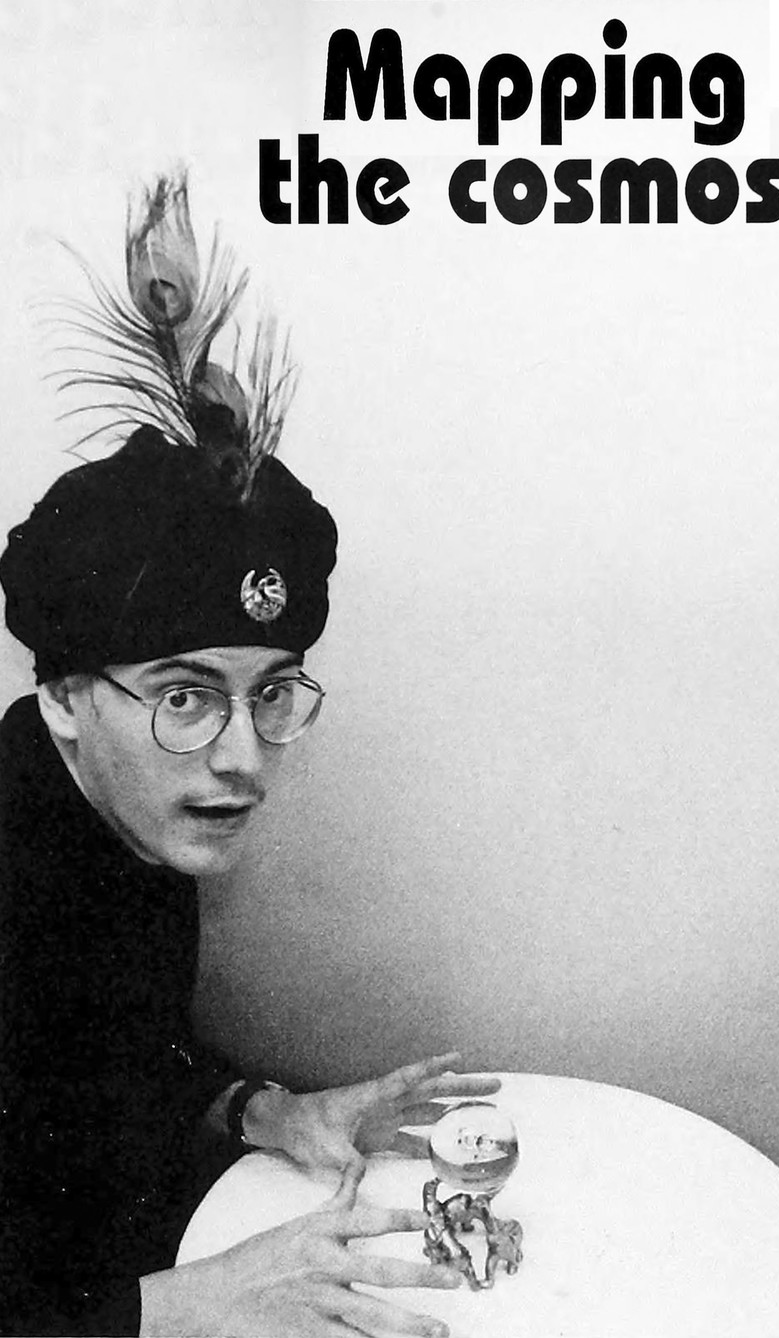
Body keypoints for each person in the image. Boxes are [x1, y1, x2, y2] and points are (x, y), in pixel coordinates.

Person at [0, 175, 499, 1337]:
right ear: (66, 696)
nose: (245, 761)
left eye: (268, 694)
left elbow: (106, 1067)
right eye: (184, 695)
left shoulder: (127, 805)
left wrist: (264, 1113)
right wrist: (177, 1305)